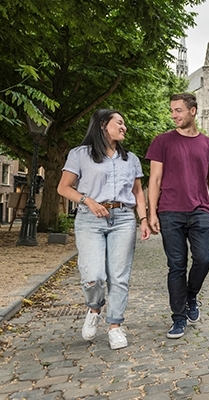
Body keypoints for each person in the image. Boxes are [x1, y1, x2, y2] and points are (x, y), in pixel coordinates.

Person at [57, 109, 151, 350]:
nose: (124, 127)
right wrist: (88, 201)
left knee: (119, 276)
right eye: (119, 122)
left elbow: (138, 191)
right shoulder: (79, 155)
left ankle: (115, 326)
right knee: (93, 276)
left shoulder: (131, 159)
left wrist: (143, 218)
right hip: (90, 219)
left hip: (122, 219)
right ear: (102, 125)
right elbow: (64, 188)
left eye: (124, 123)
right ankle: (94, 307)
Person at [146, 93, 209, 339]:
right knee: (176, 266)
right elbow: (154, 179)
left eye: (178, 110)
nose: (174, 115)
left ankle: (191, 295)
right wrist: (151, 213)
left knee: (204, 259)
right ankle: (178, 318)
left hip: (200, 210)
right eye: (172, 110)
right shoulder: (162, 142)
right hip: (170, 211)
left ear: (193, 111)